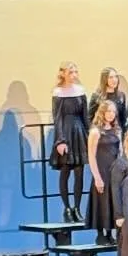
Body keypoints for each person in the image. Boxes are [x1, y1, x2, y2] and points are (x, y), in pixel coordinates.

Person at [49, 61, 90, 223]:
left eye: (76, 72)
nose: (74, 75)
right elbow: (57, 118)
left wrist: (89, 135)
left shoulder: (80, 91)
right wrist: (60, 141)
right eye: (71, 72)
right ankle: (66, 208)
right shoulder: (58, 92)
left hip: (79, 133)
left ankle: (77, 208)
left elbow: (85, 116)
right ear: (63, 74)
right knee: (66, 171)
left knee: (79, 173)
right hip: (65, 132)